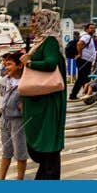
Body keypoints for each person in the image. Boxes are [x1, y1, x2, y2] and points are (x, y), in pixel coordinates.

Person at [21, 9, 67, 180]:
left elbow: (50, 63)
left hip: (48, 99)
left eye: (36, 20)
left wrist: (30, 62)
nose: (32, 24)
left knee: (48, 140)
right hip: (39, 98)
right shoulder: (41, 41)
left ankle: (48, 176)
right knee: (41, 140)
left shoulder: (50, 42)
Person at [0, 50, 28, 181]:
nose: (6, 67)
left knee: (20, 152)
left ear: (20, 66)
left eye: (9, 64)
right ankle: (1, 179)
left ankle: (19, 179)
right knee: (6, 151)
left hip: (18, 121)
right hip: (4, 119)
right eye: (5, 64)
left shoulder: (25, 82)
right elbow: (1, 94)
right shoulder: (4, 80)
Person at [69, 23, 97, 99]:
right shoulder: (87, 36)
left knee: (84, 78)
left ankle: (84, 93)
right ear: (86, 29)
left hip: (86, 60)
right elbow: (79, 44)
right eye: (91, 28)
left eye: (94, 28)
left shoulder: (88, 37)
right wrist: (80, 54)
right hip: (83, 60)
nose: (93, 29)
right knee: (83, 78)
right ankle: (75, 95)